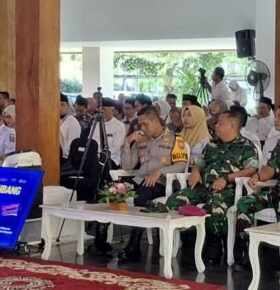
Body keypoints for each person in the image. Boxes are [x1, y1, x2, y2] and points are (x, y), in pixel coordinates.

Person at [166, 110, 258, 264]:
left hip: (227, 190)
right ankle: (188, 241)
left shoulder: (246, 146)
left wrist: (226, 178)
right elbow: (200, 164)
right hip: (203, 187)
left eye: (221, 123)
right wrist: (195, 172)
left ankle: (214, 244)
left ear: (232, 126)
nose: (216, 126)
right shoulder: (212, 144)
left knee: (215, 207)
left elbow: (251, 169)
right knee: (174, 201)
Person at [111, 106, 188, 262]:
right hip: (139, 181)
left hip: (160, 184)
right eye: (140, 124)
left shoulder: (175, 139)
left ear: (155, 120)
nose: (142, 128)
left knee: (141, 196)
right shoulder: (141, 140)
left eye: (145, 124)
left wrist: (160, 172)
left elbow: (181, 165)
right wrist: (127, 143)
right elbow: (127, 166)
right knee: (110, 192)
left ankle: (134, 246)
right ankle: (101, 243)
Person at [91, 98, 126, 167]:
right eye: (100, 109)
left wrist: (101, 155)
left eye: (104, 109)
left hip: (111, 160)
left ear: (112, 110)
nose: (101, 111)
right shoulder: (95, 124)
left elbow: (116, 148)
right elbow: (90, 142)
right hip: (94, 158)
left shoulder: (119, 126)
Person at [59, 94, 81, 163]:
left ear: (68, 106)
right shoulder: (53, 120)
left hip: (66, 159)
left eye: (62, 104)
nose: (60, 107)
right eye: (57, 104)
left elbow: (72, 144)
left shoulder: (73, 122)